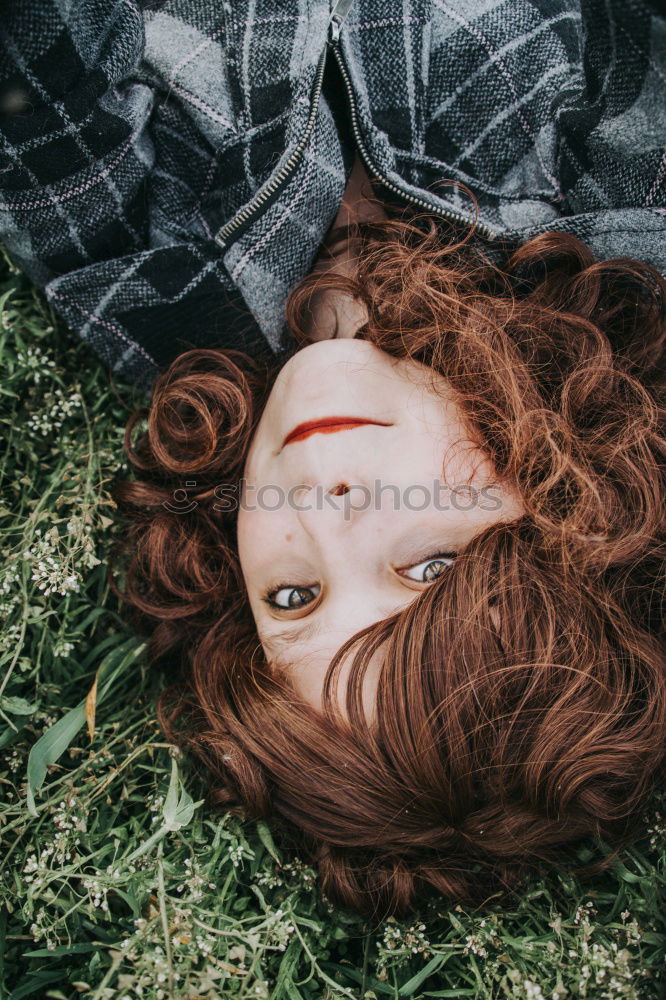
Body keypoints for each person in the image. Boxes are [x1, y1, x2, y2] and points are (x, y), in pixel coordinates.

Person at [1, 0, 665, 919]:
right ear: (571, 525)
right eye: (430, 567)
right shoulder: (625, 225)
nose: (323, 505)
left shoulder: (152, 305)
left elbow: (38, 85)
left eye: (291, 596)